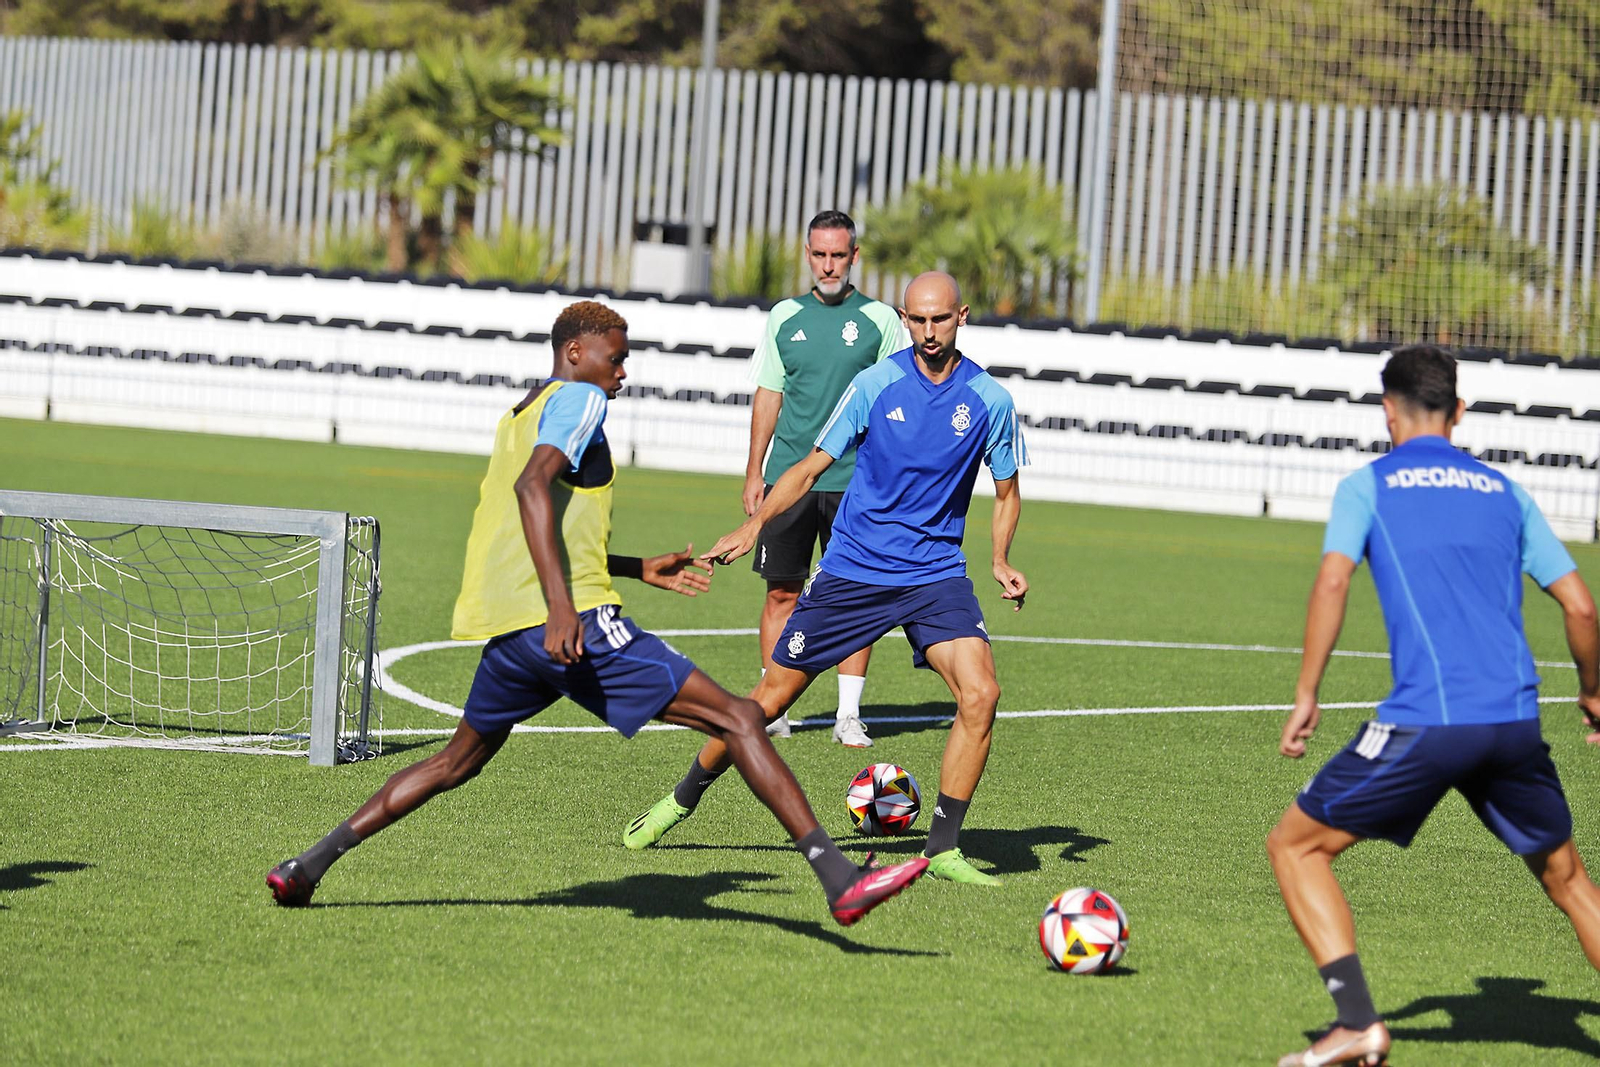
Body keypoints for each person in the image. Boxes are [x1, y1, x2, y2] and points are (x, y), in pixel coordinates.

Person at [266, 301, 927, 926]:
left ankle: (307, 864)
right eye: (615, 357)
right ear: (575, 353)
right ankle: (839, 878)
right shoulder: (581, 400)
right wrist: (563, 609)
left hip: (514, 632)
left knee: (454, 762)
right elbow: (532, 487)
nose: (622, 371)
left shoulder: (519, 414)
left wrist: (636, 567)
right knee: (741, 716)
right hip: (571, 624)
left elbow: (537, 521)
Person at [624, 272, 1028, 887]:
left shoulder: (990, 400)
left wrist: (1000, 559)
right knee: (767, 701)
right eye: (917, 320)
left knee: (982, 694)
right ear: (904, 318)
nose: (928, 332)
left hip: (934, 576)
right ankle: (681, 798)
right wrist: (755, 525)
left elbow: (1006, 491)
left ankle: (942, 849)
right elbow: (810, 466)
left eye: (940, 319)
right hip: (853, 572)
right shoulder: (874, 385)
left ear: (961, 316)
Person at [1266, 344, 1600, 1067]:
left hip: (1429, 722)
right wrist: (1593, 691)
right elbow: (1580, 605)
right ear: (1460, 411)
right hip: (1513, 723)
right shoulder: (1506, 492)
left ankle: (1357, 1021)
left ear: (1388, 411)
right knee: (1570, 881)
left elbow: (1333, 583)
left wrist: (1307, 692)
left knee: (1295, 846)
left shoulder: (1368, 486)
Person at [744, 209, 907, 747]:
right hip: (788, 478)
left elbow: (894, 400)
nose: (829, 265)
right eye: (820, 254)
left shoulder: (881, 319)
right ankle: (773, 709)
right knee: (781, 593)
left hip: (857, 481)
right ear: (808, 255)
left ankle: (847, 715)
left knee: (854, 596)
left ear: (855, 256)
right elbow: (769, 394)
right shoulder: (783, 316)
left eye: (839, 255)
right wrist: (754, 470)